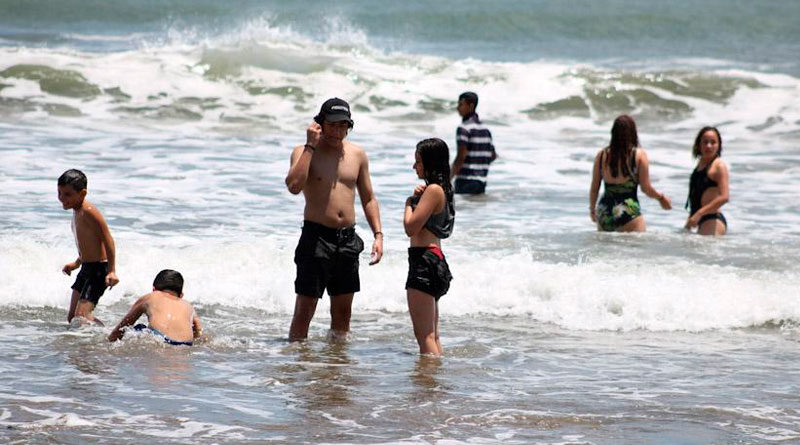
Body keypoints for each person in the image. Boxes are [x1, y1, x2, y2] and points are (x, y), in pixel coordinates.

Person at [285, 97, 383, 342]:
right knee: (305, 310)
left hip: (347, 240)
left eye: (344, 126)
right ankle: (298, 365)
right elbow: (294, 186)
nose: (338, 131)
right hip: (316, 238)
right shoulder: (304, 151)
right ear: (320, 123)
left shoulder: (357, 154)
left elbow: (369, 198)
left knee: (342, 314)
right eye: (333, 125)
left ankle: (335, 368)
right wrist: (310, 146)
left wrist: (378, 235)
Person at [404, 138, 455, 356]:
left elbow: (411, 227)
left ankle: (428, 385)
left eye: (418, 161)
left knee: (424, 337)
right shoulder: (440, 189)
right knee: (433, 335)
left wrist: (409, 203)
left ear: (430, 163)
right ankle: (434, 383)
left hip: (424, 260)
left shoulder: (433, 190)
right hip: (434, 258)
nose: (414, 166)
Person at [589, 115, 672, 232]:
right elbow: (646, 188)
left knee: (606, 250)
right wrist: (661, 197)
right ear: (633, 132)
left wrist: (592, 210)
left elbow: (594, 188)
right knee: (636, 249)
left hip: (604, 212)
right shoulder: (638, 155)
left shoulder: (602, 155)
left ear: (613, 133)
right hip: (627, 211)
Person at [57, 169, 119, 325]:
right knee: (72, 318)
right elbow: (88, 245)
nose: (62, 198)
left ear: (83, 193)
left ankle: (108, 336)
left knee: (81, 316)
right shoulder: (76, 212)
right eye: (59, 193)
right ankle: (98, 335)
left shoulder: (89, 212)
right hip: (86, 268)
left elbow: (108, 240)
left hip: (99, 270)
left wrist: (112, 271)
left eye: (67, 194)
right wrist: (76, 263)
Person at [108, 269, 203, 346]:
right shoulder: (188, 305)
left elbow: (122, 328)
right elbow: (199, 334)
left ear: (154, 289)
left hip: (160, 339)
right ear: (181, 295)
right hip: (186, 344)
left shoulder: (150, 297)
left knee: (139, 328)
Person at [685, 126, 729, 235]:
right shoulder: (700, 165)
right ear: (699, 145)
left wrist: (699, 214)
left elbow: (724, 197)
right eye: (705, 142)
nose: (709, 146)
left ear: (719, 146)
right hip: (698, 219)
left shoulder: (719, 166)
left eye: (713, 142)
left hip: (713, 219)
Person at [452, 91, 496, 194]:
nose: (458, 108)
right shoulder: (485, 129)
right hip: (481, 182)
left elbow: (461, 156)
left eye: (461, 104)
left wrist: (449, 177)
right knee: (476, 209)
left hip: (465, 181)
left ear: (471, 106)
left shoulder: (463, 129)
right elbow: (493, 155)